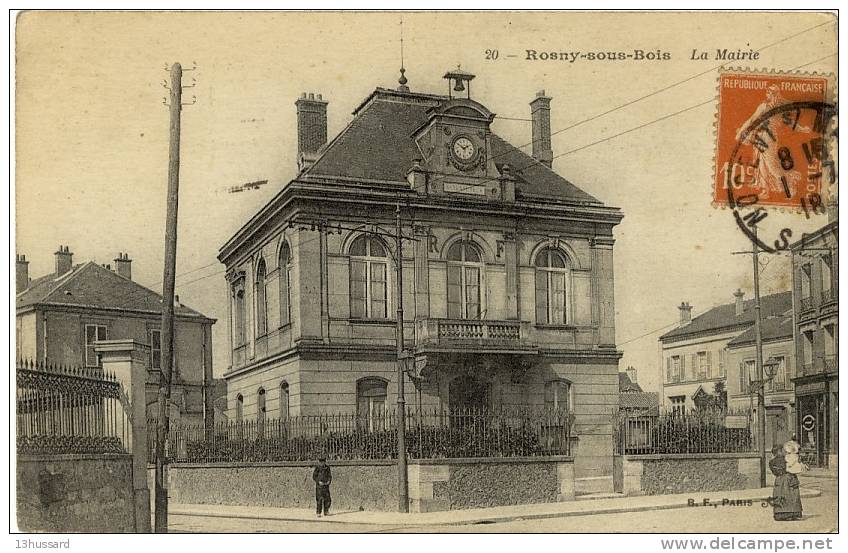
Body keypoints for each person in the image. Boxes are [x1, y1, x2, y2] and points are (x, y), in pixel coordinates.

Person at [770, 440, 806, 521]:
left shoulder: (773, 461)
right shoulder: (785, 458)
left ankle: (782, 514)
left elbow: (775, 471)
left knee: (782, 496)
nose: (784, 452)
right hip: (789, 478)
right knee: (792, 496)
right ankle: (792, 513)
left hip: (780, 480)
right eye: (782, 450)